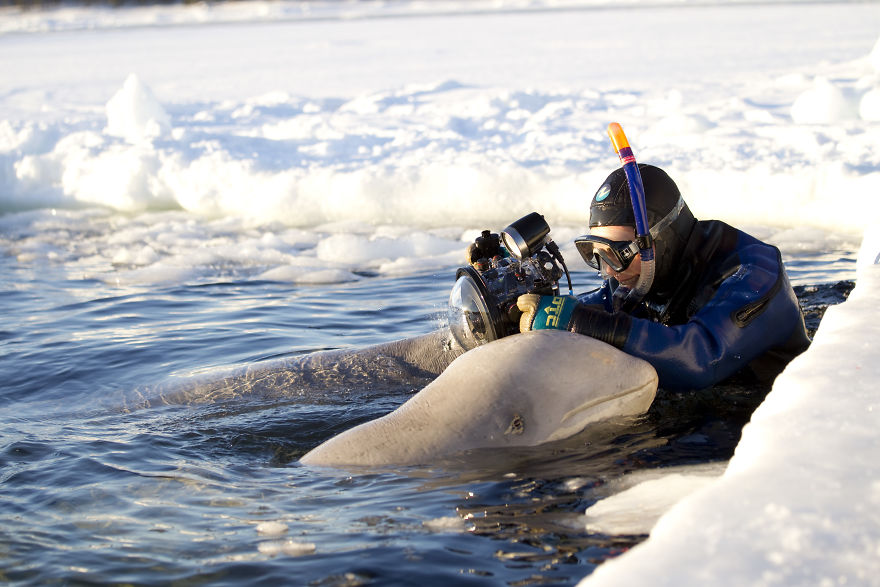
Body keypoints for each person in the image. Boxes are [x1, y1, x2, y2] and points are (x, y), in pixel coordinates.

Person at [515, 164, 811, 391]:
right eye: (595, 253)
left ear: (663, 239)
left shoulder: (754, 272)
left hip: (769, 417)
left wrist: (579, 321)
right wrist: (532, 312)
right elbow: (600, 308)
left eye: (618, 254)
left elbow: (703, 357)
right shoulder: (642, 274)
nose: (609, 271)